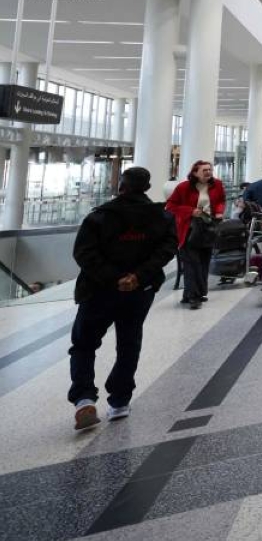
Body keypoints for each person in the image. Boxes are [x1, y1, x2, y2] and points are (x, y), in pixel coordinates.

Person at [69, 167, 177, 431]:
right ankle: (119, 401)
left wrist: (114, 277)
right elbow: (167, 249)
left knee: (84, 344)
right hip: (139, 292)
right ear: (147, 187)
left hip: (98, 291)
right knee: (129, 342)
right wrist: (137, 277)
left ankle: (84, 398)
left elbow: (83, 253)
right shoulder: (162, 217)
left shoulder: (100, 217)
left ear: (121, 186)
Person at [165, 160, 227, 310]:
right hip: (189, 229)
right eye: (204, 170)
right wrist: (190, 211)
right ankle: (194, 297)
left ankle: (194, 294)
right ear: (195, 173)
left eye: (209, 170)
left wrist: (219, 210)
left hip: (208, 228)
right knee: (192, 264)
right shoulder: (183, 187)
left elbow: (221, 200)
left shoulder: (217, 184)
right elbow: (170, 206)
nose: (208, 172)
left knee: (204, 262)